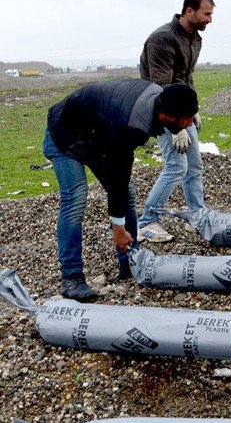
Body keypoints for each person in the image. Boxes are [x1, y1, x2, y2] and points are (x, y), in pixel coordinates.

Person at [43, 81, 199, 300]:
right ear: (169, 115)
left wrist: (119, 221)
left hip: (97, 136)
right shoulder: (132, 122)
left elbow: (119, 175)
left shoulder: (157, 101)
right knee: (75, 198)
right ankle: (72, 278)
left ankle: (129, 263)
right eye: (188, 118)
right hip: (64, 134)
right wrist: (118, 228)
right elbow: (119, 171)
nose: (190, 123)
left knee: (127, 195)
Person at [135, 0, 214, 243]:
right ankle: (146, 221)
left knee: (194, 167)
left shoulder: (194, 39)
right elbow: (160, 88)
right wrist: (177, 128)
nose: (210, 19)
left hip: (181, 109)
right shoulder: (162, 39)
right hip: (164, 111)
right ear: (189, 10)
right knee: (176, 166)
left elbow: (185, 76)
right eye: (207, 13)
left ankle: (196, 214)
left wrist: (194, 109)